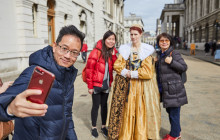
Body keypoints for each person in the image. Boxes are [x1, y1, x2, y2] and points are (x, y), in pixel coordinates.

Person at [0, 25, 85, 140]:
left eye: (74, 52)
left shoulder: (68, 76)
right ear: (54, 46)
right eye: (64, 48)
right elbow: (3, 103)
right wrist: (9, 109)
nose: (68, 56)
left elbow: (67, 116)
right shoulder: (34, 73)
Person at [108, 24, 161, 140]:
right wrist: (125, 72)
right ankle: (126, 135)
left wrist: (132, 74)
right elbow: (117, 65)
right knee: (127, 109)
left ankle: (139, 135)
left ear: (140, 34)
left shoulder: (146, 51)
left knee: (140, 110)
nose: (133, 37)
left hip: (141, 87)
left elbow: (148, 73)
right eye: (131, 34)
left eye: (135, 34)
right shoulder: (125, 49)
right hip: (127, 86)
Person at [155, 33, 188, 140]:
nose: (164, 42)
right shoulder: (160, 54)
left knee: (174, 114)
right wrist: (155, 63)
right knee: (170, 112)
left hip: (174, 90)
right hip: (165, 90)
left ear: (170, 42)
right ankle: (176, 132)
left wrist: (172, 62)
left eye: (166, 41)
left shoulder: (174, 53)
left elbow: (183, 67)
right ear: (158, 43)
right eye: (161, 41)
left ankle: (174, 135)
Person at [85, 30, 118, 138]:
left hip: (106, 84)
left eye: (113, 39)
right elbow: (89, 70)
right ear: (104, 40)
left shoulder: (111, 52)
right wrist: (90, 86)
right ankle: (94, 127)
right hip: (96, 84)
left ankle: (103, 127)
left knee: (104, 106)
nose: (111, 41)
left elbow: (114, 67)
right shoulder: (96, 51)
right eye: (109, 39)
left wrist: (113, 56)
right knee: (95, 106)